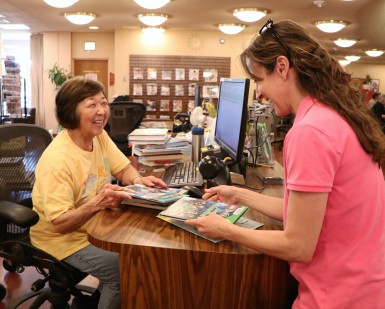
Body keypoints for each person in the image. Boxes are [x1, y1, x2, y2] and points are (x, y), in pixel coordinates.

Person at [186, 19, 385, 308]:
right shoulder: (334, 116)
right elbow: (308, 212)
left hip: (336, 296)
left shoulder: (310, 132)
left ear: (282, 67)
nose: (259, 93)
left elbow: (299, 245)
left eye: (259, 80)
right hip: (365, 287)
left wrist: (226, 229)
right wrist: (239, 194)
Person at [30, 77, 167, 308]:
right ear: (71, 111)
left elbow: (122, 167)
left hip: (94, 227)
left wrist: (138, 179)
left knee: (138, 254)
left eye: (103, 103)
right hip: (60, 240)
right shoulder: (58, 160)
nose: (102, 111)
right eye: (91, 105)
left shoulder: (99, 136)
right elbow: (60, 224)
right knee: (124, 271)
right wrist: (98, 203)